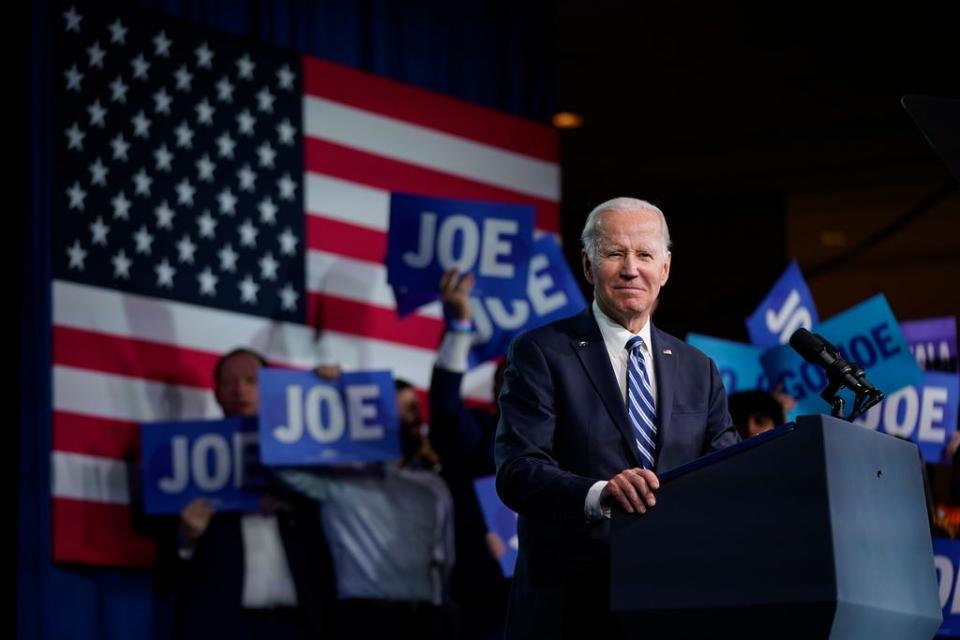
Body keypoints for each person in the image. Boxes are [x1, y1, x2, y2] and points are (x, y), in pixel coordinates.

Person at [494, 197, 740, 638]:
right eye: (614, 253)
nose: (631, 269)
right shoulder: (541, 352)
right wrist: (600, 494)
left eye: (645, 255)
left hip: (674, 603)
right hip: (570, 606)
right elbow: (518, 471)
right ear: (588, 266)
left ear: (665, 269)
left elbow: (727, 475)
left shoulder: (697, 368)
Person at [155, 348, 337, 640]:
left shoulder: (307, 454)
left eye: (251, 381)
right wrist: (186, 538)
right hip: (222, 627)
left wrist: (332, 389)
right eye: (229, 383)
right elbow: (164, 574)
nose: (240, 389)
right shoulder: (186, 461)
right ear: (216, 394)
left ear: (271, 390)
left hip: (301, 626)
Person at [429, 268, 511, 639]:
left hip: (559, 601)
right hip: (488, 604)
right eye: (509, 381)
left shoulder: (575, 441)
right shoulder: (479, 432)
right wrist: (460, 328)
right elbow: (446, 410)